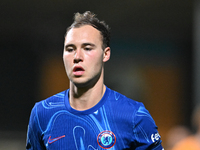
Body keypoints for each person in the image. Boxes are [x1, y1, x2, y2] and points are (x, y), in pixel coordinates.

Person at [26, 11, 163, 150]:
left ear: (106, 54)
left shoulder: (134, 115)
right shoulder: (42, 113)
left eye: (87, 48)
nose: (77, 56)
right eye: (70, 49)